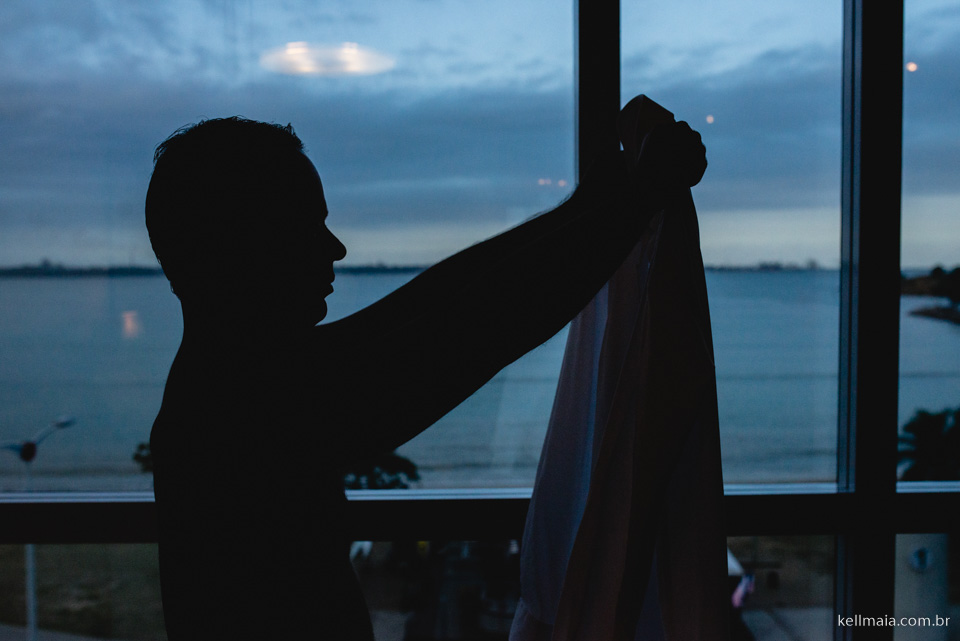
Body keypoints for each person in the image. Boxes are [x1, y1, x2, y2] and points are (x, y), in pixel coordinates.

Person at [146, 115, 705, 640]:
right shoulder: (245, 404)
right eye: (304, 227)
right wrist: (633, 204)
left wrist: (589, 207)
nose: (334, 247)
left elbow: (432, 306)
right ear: (244, 249)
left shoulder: (227, 378)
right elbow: (476, 328)